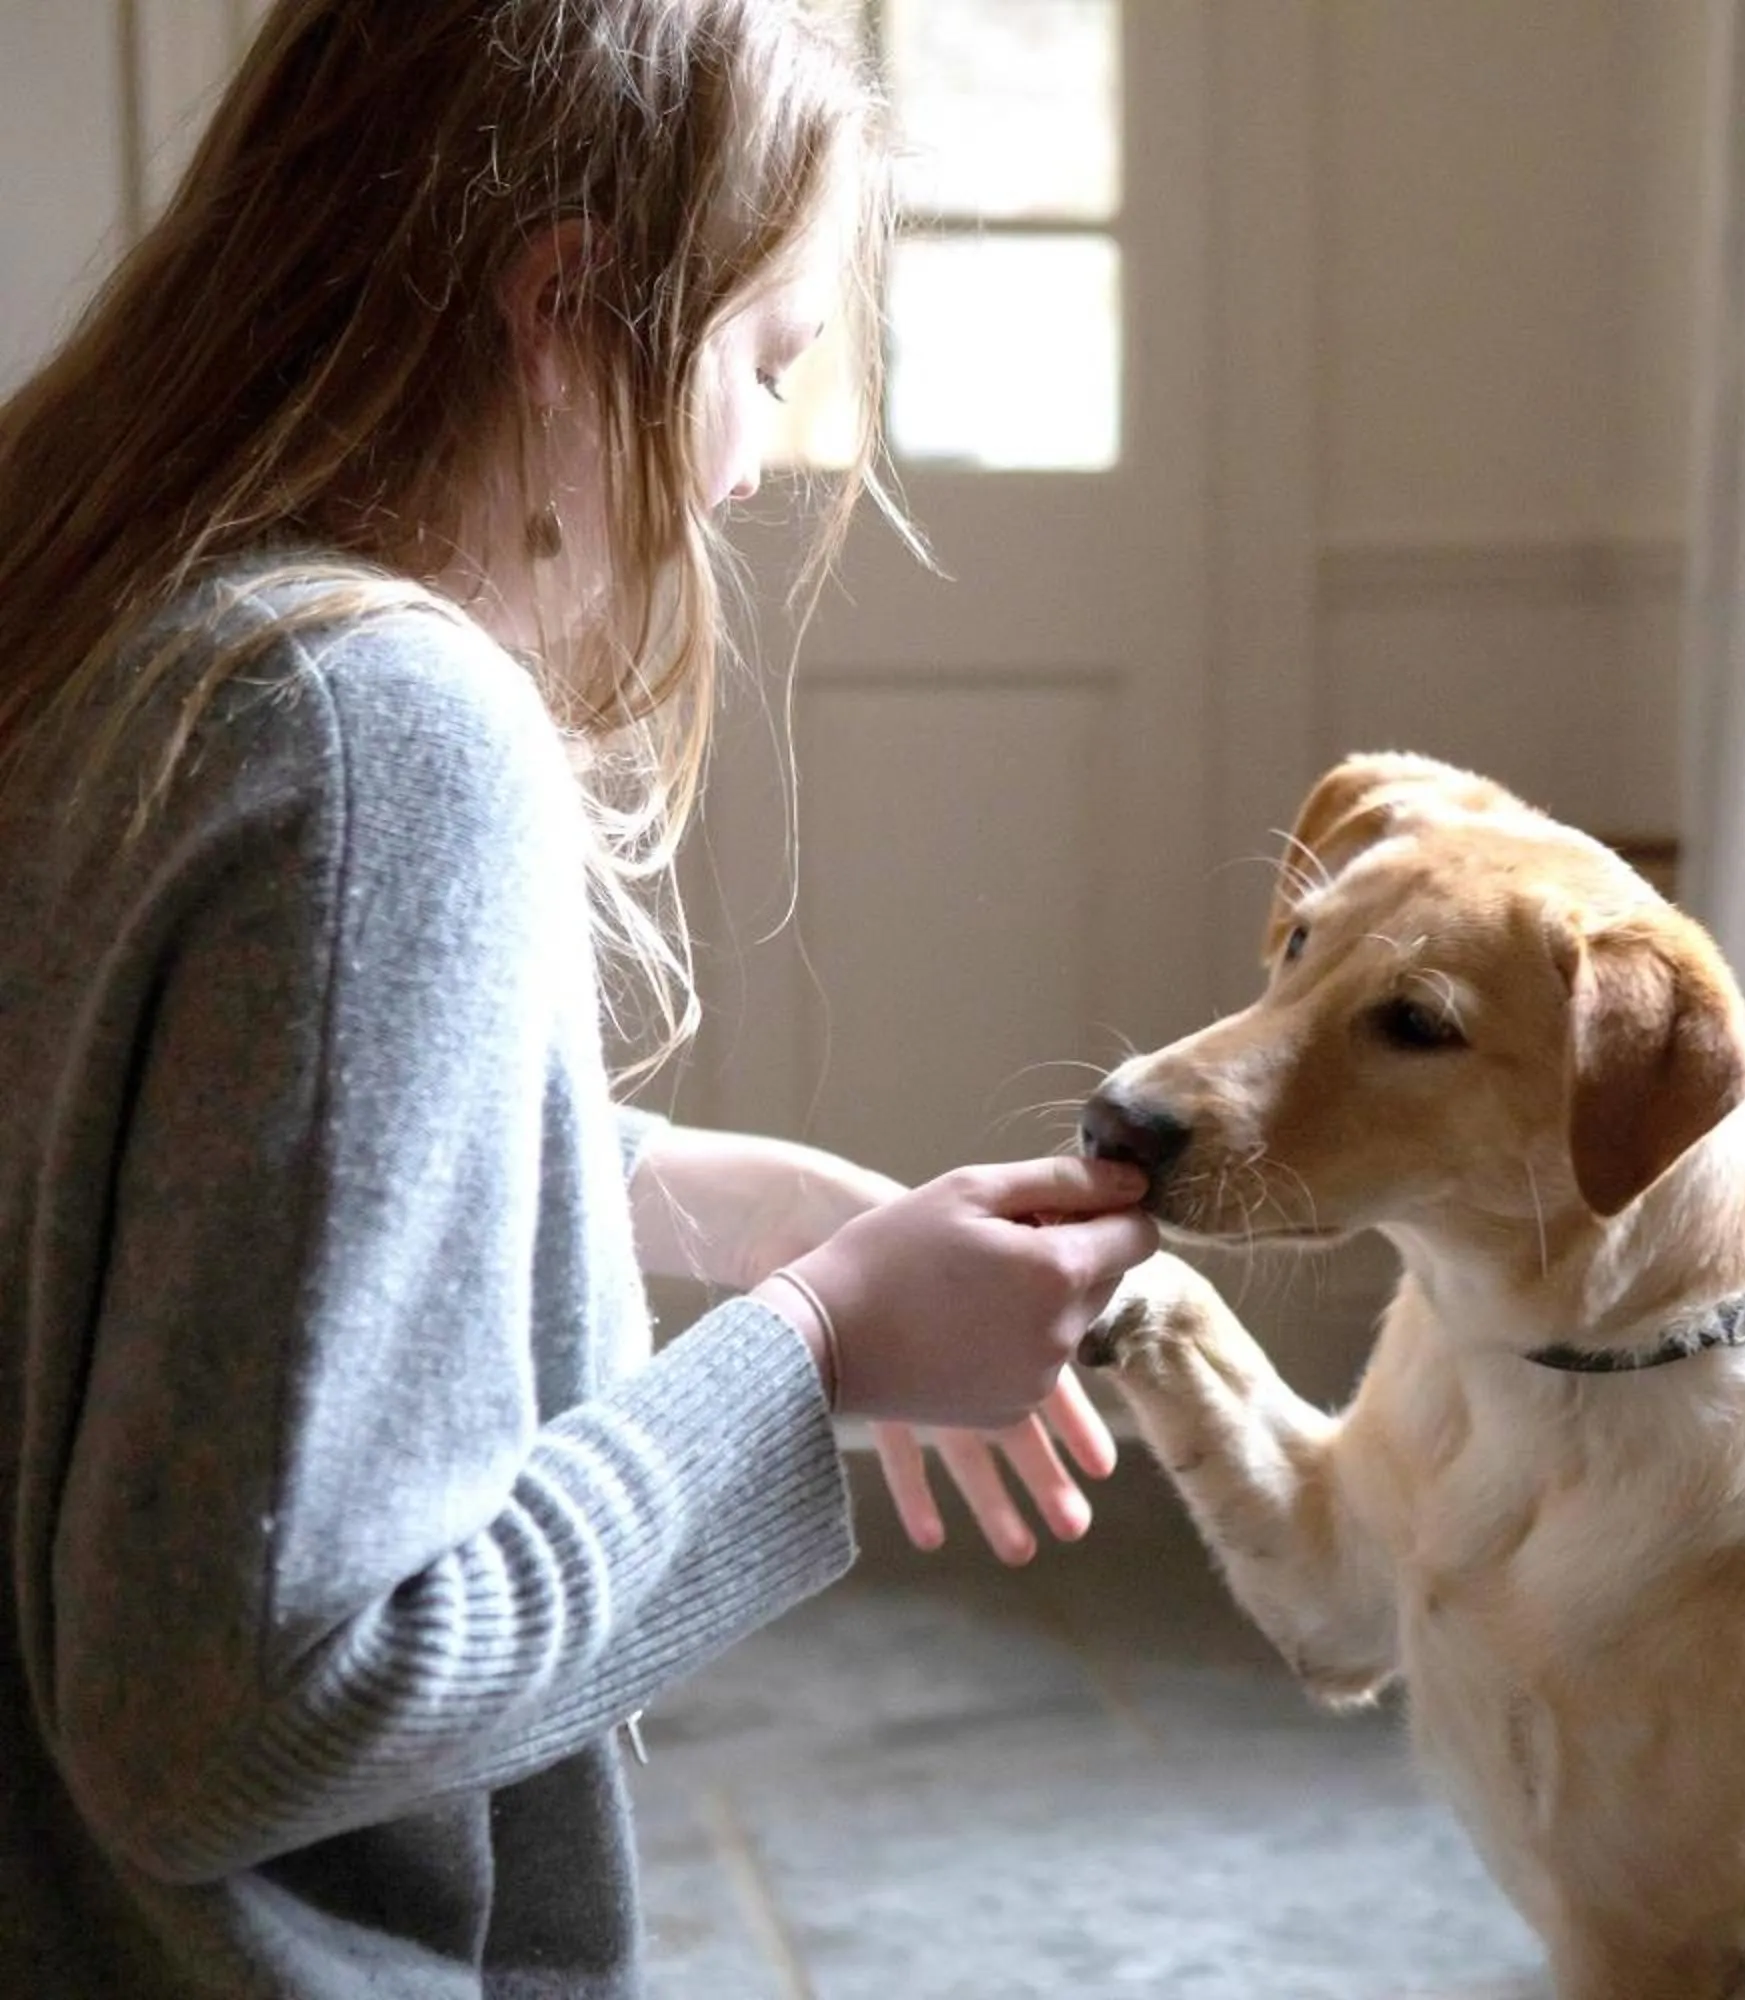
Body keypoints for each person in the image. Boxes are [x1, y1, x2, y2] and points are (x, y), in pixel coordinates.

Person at [0, 3, 1158, 1992]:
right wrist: (818, 1350)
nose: (747, 465)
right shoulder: (381, 733)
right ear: (566, 306)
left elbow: (128, 1151)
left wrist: (673, 1184)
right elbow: (256, 1704)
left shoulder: (116, 616)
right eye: (760, 362)